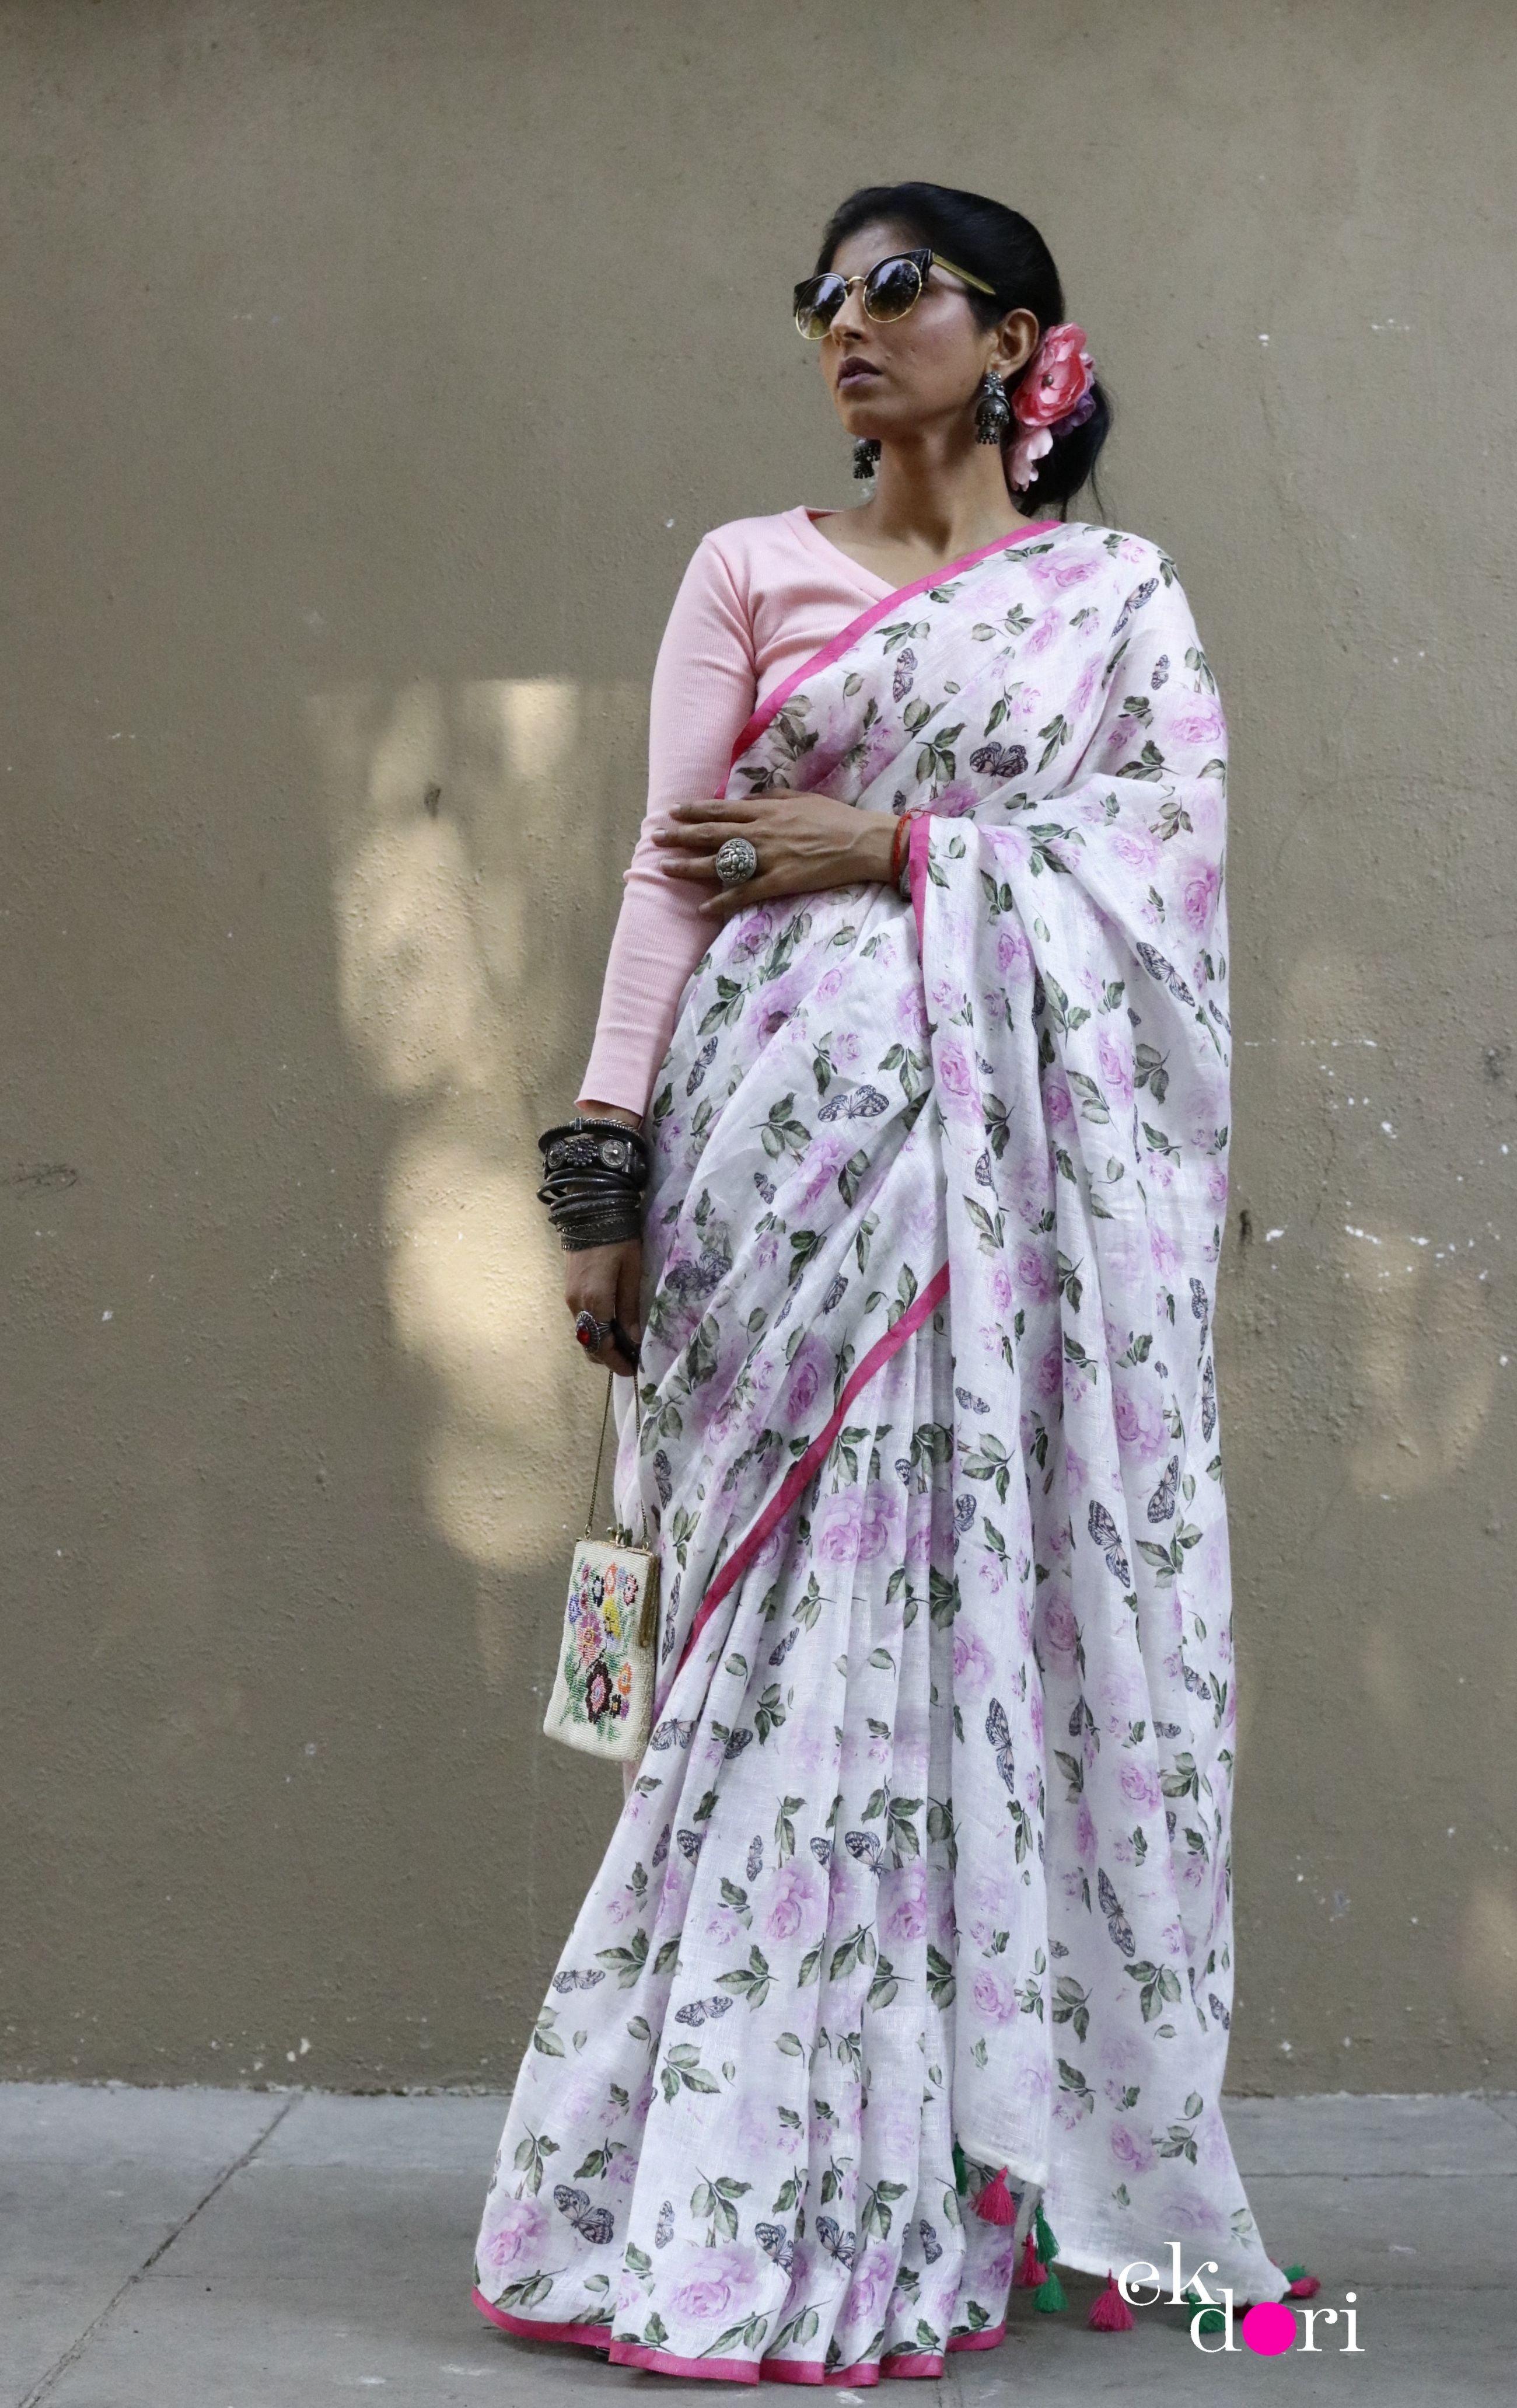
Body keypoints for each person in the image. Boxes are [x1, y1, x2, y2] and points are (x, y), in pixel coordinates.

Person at [475, 181, 1296, 2380]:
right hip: (783, 1190)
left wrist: (909, 846)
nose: (846, 325)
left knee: (977, 1654)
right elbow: (668, 894)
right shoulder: (751, 570)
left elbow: (1168, 883)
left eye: (895, 288)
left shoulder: (1114, 597)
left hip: (1026, 1222)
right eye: (820, 298)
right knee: (788, 1654)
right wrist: (602, 1178)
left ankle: (959, 2172)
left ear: (1017, 335)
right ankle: (741, 2185)